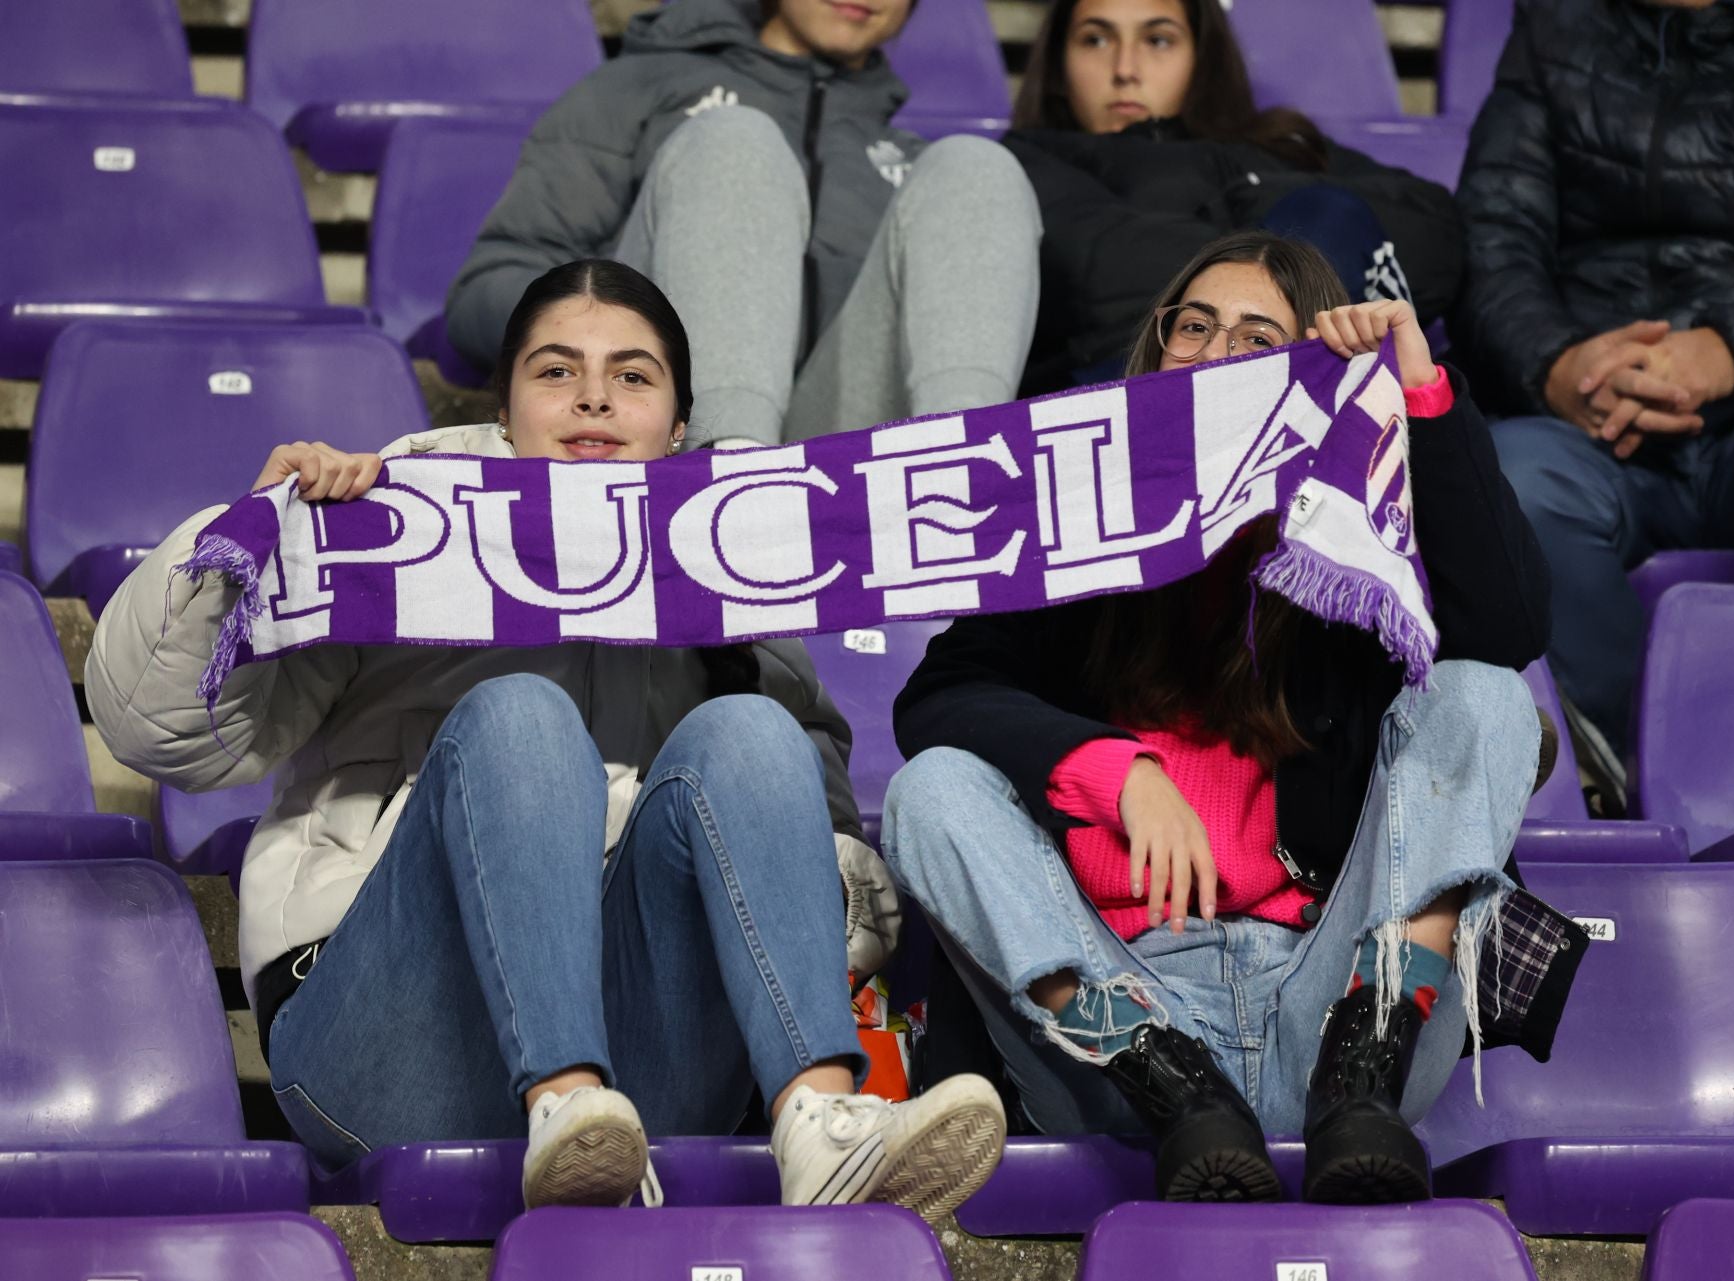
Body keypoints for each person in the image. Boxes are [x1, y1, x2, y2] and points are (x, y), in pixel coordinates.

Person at [85, 259, 1006, 1216]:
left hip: (645, 1077)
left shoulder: (737, 576)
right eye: (557, 371)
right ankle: (560, 1100)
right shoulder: (393, 517)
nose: (596, 398)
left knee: (747, 729)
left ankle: (822, 1126)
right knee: (519, 713)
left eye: (635, 376)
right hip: (382, 1037)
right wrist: (261, 541)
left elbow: (822, 857)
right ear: (507, 409)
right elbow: (162, 730)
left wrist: (841, 897)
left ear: (678, 424)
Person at [882, 230, 1581, 1206]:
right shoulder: (1082, 520)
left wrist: (1416, 393)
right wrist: (1109, 767)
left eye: (1258, 339)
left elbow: (1502, 627)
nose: (1213, 357)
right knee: (932, 786)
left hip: (1329, 993)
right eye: (1194, 327)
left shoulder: (1352, 542)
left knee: (1485, 695)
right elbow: (940, 697)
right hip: (1118, 1029)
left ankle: (1368, 1061)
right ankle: (1172, 1079)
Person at [1454, 0, 1734, 764]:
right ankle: (1631, 773)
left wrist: (1730, 351)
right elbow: (1491, 244)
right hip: (1602, 431)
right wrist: (1559, 365)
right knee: (1507, 472)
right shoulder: (1558, 27)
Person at [446, 0, 1040, 450]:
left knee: (977, 165)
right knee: (736, 139)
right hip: (661, 437)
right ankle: (729, 468)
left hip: (837, 451)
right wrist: (603, 328)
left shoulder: (912, 161)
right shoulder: (639, 91)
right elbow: (482, 296)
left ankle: (966, 468)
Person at [1002, 0, 1465, 393]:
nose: (1125, 69)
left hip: (1294, 394)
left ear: (1202, 56)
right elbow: (1106, 271)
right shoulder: (1020, 162)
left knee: (1327, 215)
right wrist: (1257, 211)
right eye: (1095, 40)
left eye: (1158, 40)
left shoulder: (1278, 144)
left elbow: (1432, 230)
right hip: (1116, 397)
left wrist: (1232, 182)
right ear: (1060, 62)